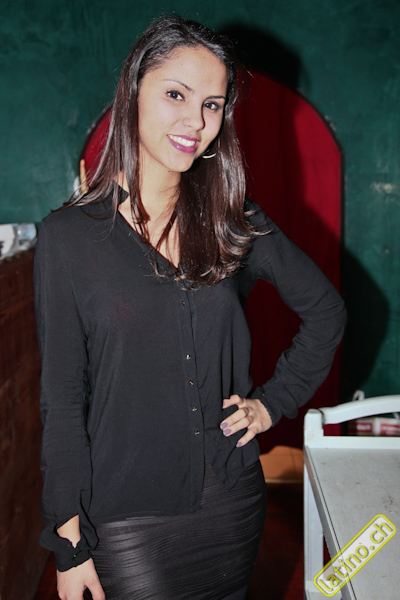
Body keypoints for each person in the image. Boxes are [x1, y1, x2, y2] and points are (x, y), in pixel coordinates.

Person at [34, 15, 346, 600]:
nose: (195, 122)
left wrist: (270, 405)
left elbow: (326, 312)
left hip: (232, 501)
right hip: (125, 516)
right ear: (133, 92)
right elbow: (63, 400)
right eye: (176, 95)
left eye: (212, 105)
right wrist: (69, 543)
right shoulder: (68, 239)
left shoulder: (235, 220)